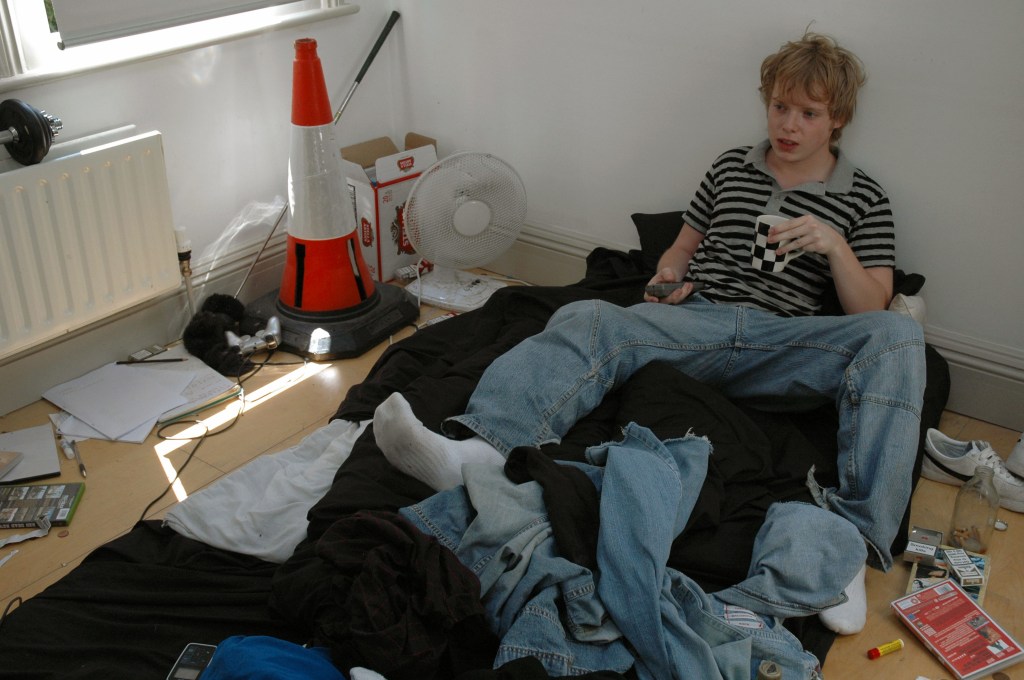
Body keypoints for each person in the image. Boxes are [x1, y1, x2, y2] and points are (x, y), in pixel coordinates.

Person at [373, 32, 926, 637]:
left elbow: (870, 306)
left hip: (784, 339)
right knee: (586, 316)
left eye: (808, 113)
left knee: (898, 336)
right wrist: (668, 277)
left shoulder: (864, 196)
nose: (788, 125)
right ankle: (481, 451)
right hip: (699, 321)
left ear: (837, 119)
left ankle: (844, 544)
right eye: (779, 106)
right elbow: (681, 250)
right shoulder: (730, 168)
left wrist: (832, 242)